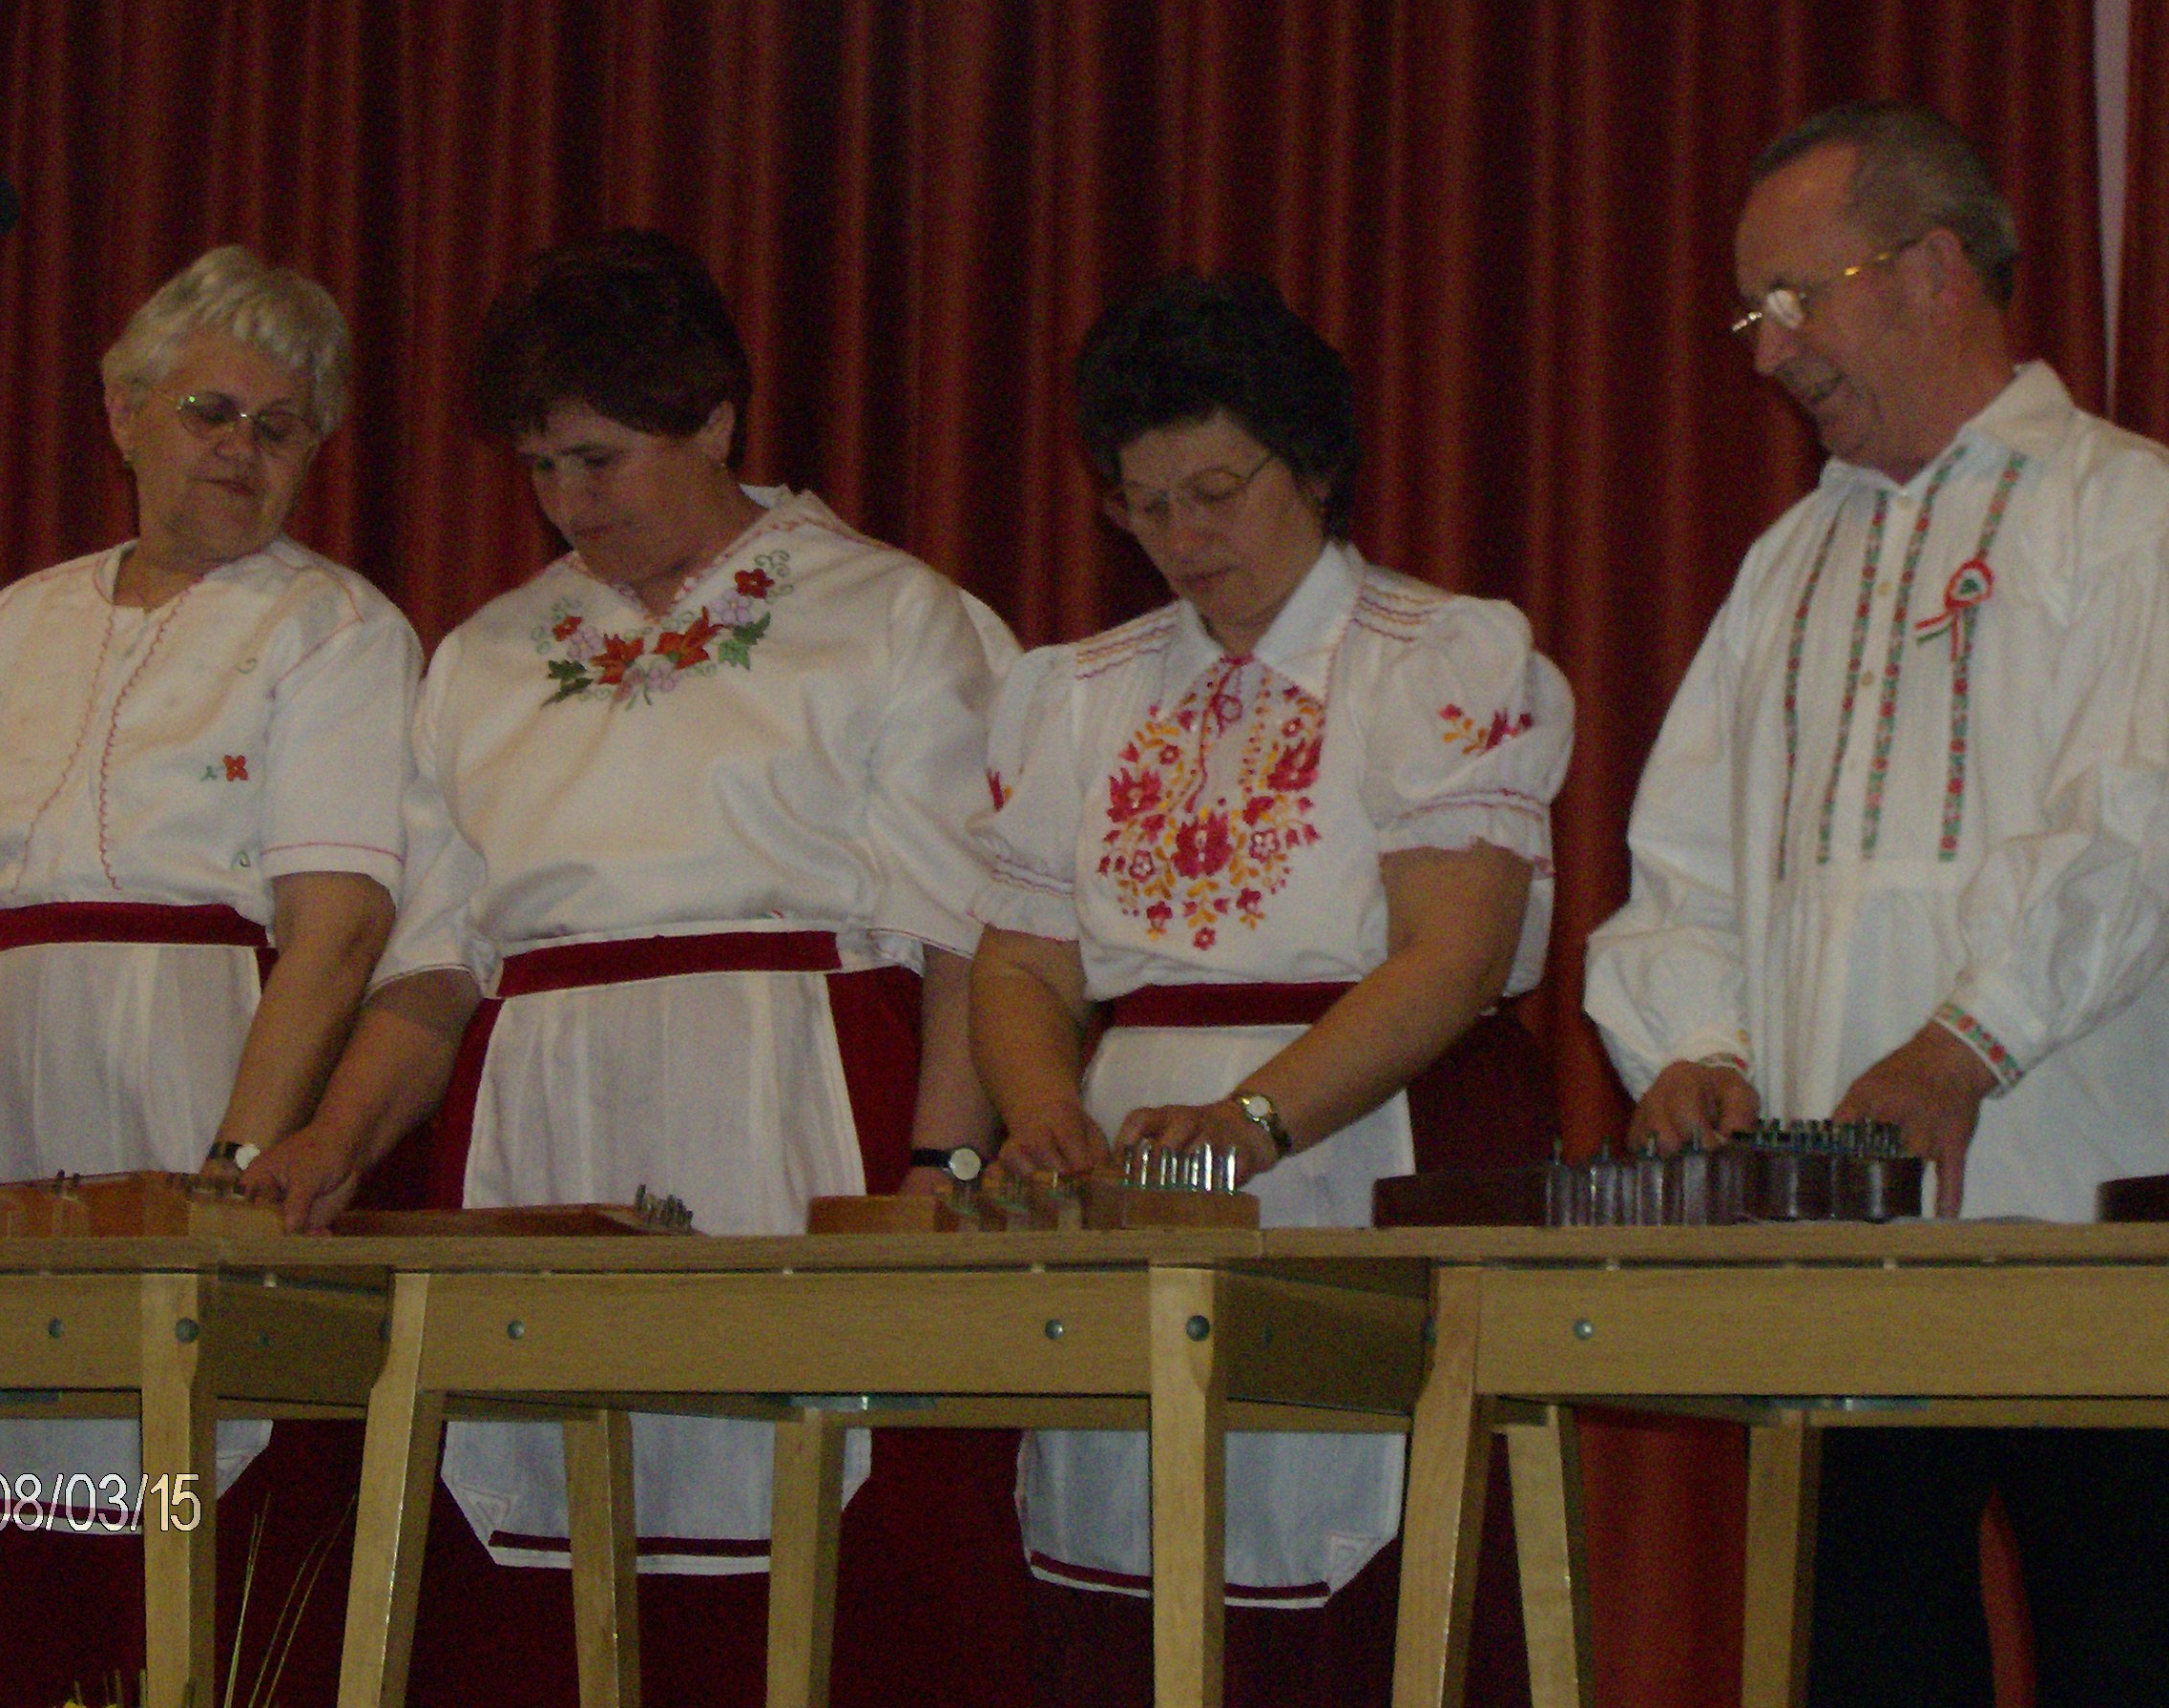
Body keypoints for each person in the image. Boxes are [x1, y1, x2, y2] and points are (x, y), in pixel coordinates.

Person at [245, 228, 1018, 1706]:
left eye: (601, 459)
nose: (569, 501)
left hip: (805, 1122)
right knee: (547, 1587)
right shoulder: (486, 657)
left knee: (831, 1564)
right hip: (544, 1141)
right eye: (542, 467)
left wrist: (942, 1168)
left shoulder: (891, 616)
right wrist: (333, 1138)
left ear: (716, 419)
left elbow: (965, 935)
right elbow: (436, 970)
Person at [1586, 100, 2169, 1705]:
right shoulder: (1786, 567)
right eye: (1751, 315)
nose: (1768, 353)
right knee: (1863, 1666)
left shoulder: (2127, 511)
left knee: (2129, 1651)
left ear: (1931, 271)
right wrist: (1695, 1049)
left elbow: (2139, 824)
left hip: (2092, 1236)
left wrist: (1963, 1046)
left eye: (1791, 299)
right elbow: (1685, 866)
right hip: (1841, 1256)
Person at [970, 271, 1569, 1706]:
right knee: (1132, 1556)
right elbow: (1023, 959)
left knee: (1361, 1571)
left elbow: (1452, 956)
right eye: (1146, 505)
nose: (1184, 539)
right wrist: (1045, 1113)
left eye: (1217, 492)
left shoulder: (1434, 658)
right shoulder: (1078, 691)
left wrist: (1248, 1124)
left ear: (1311, 465)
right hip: (1143, 1168)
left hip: (1373, 1136)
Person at [0, 243, 418, 1697]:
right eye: (210, 412)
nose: (241, 448)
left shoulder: (337, 631)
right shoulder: (11, 624)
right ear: (122, 416)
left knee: (187, 1502)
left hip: (197, 1074)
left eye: (280, 427)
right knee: (6, 1484)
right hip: (3, 1107)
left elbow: (339, 929)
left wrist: (229, 1171)